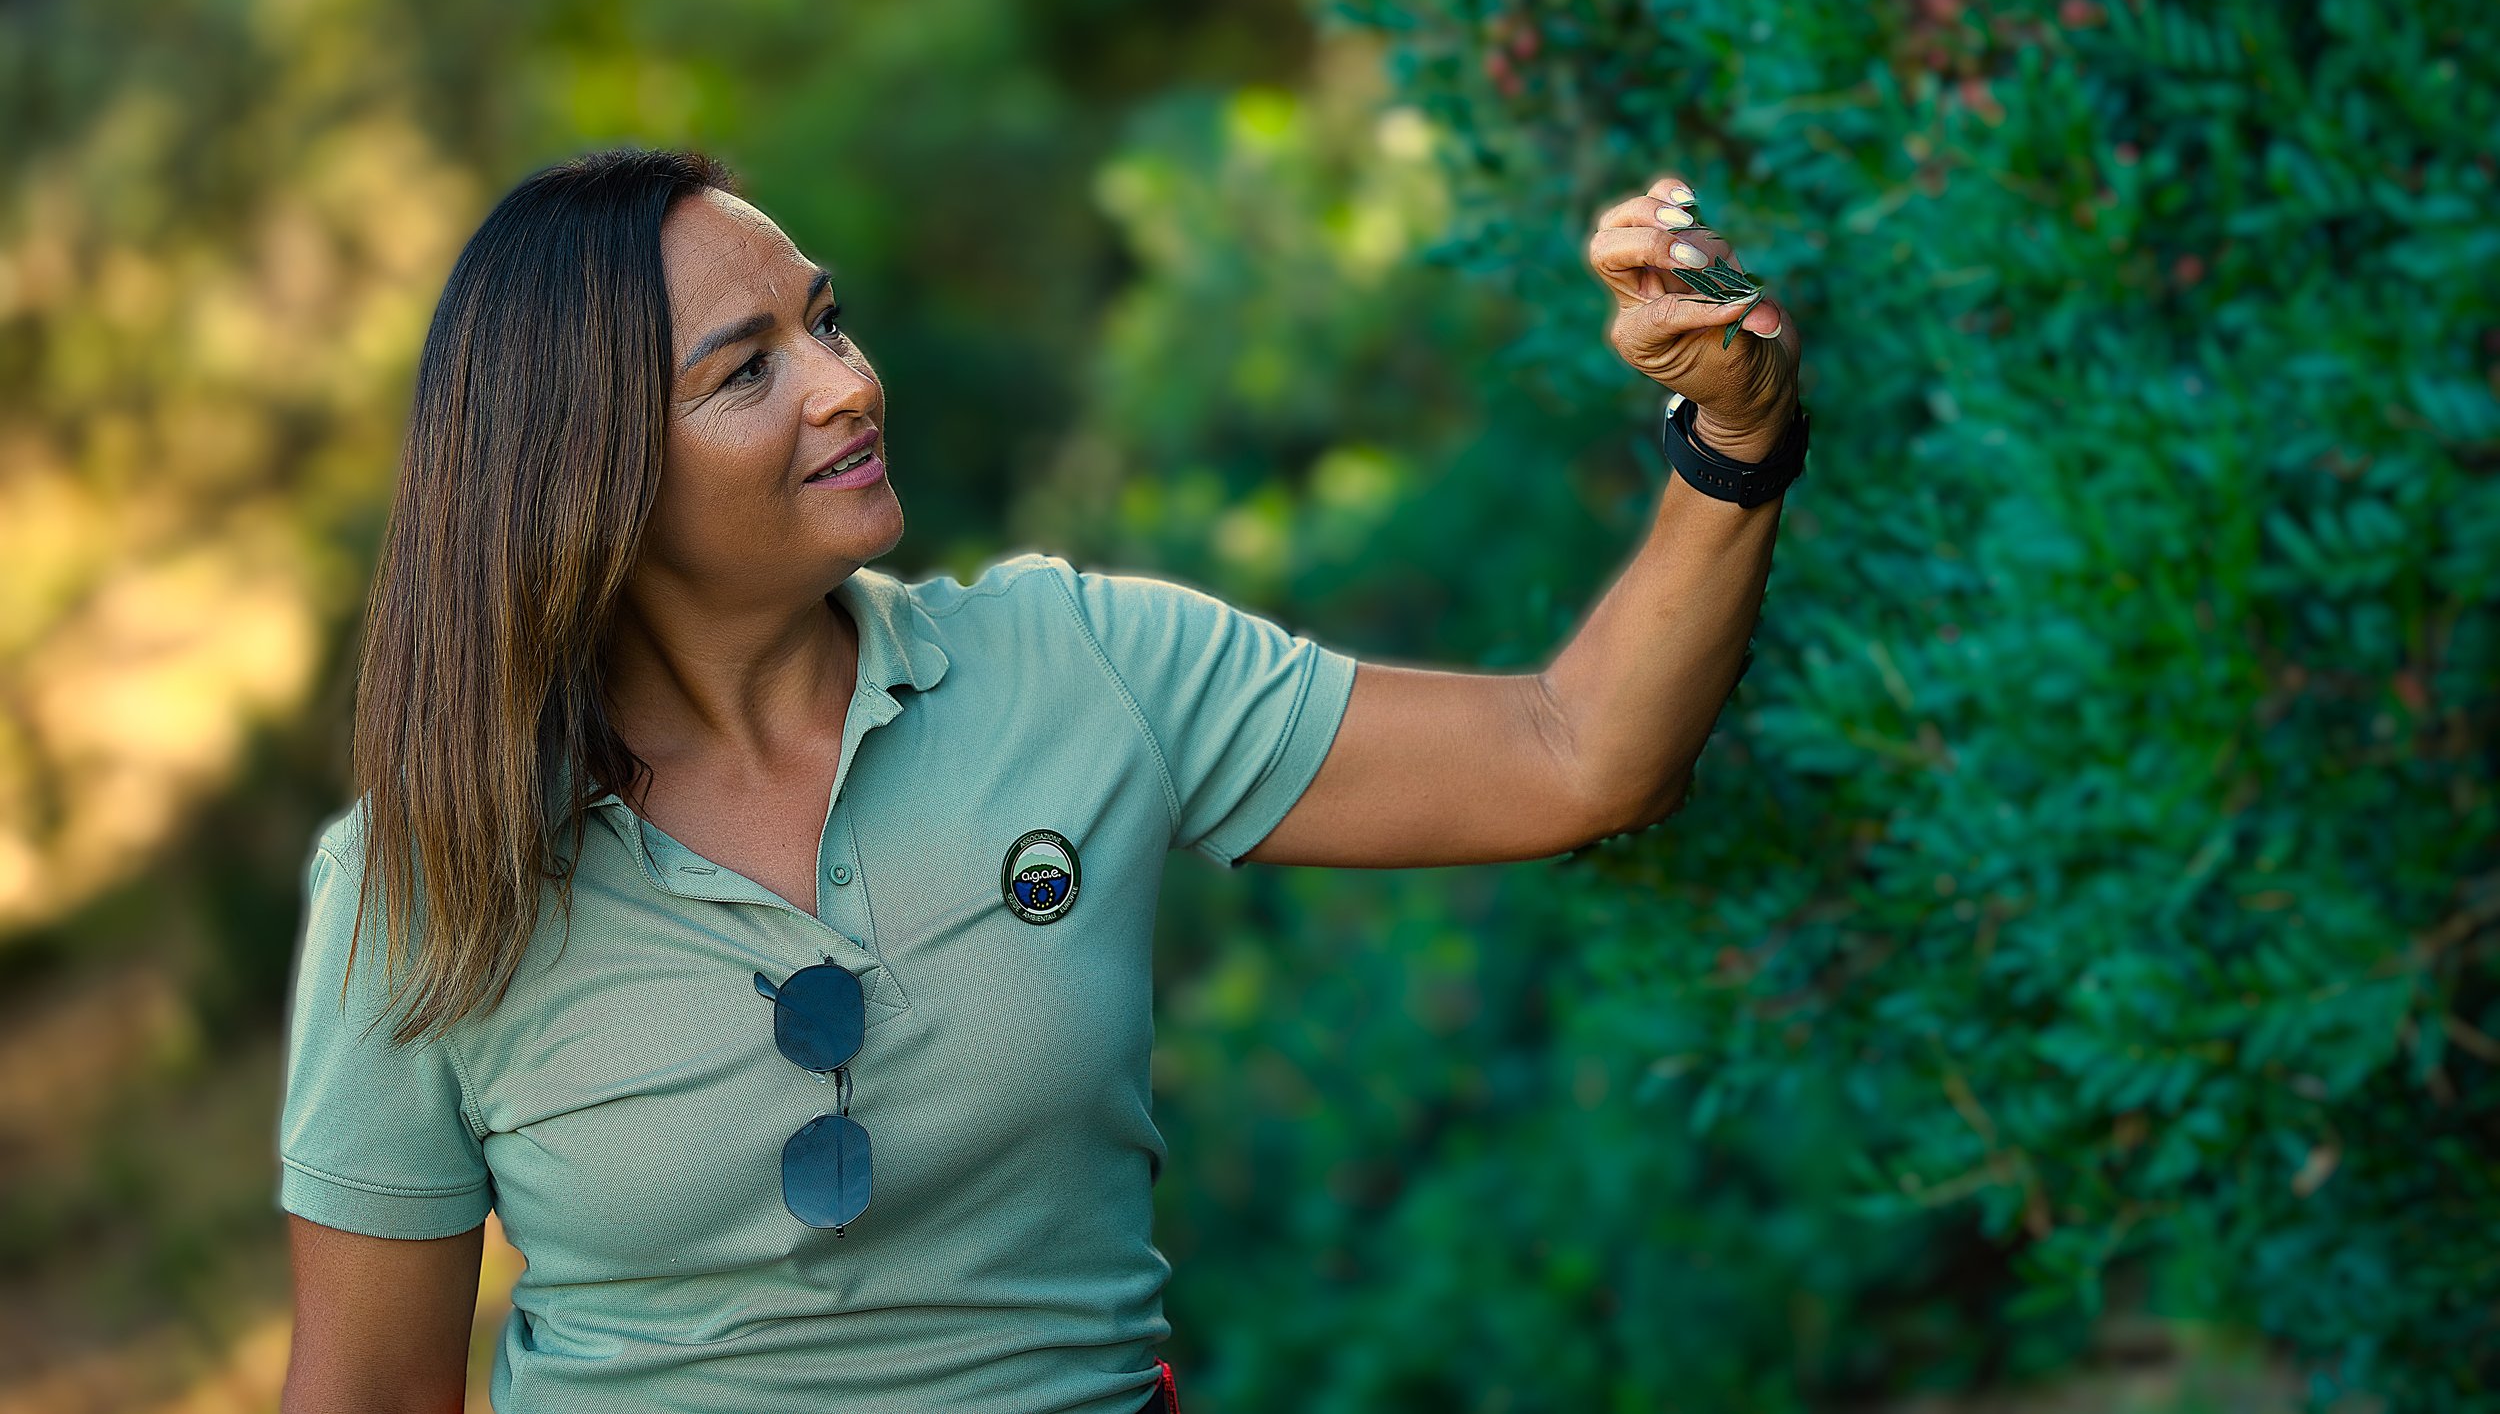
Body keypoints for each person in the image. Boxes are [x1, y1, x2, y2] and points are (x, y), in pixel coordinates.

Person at [274, 146, 1804, 1414]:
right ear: (586, 476)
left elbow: (1579, 754)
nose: (844, 384)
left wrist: (1733, 437)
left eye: (828, 321)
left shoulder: (1079, 669)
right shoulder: (426, 882)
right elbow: (369, 1399)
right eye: (748, 371)